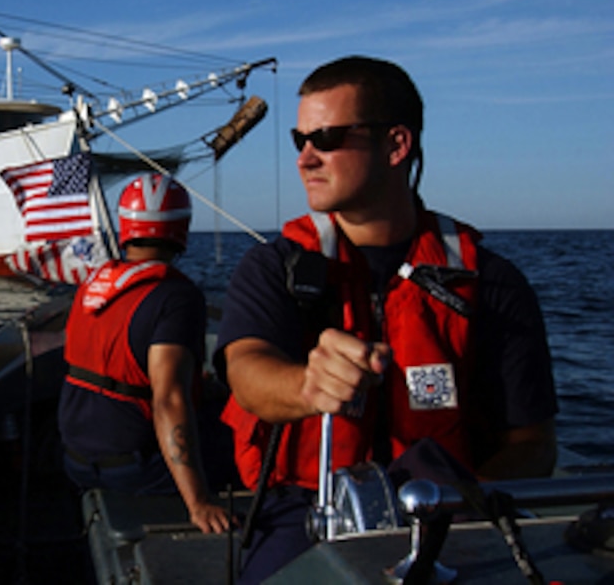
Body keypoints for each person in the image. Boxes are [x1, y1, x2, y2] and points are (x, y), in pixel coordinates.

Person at [216, 55, 558, 582]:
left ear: (397, 145)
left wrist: (463, 501)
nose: (306, 158)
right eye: (299, 140)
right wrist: (308, 385)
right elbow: (246, 369)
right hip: (303, 507)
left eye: (326, 138)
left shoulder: (490, 283)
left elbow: (532, 444)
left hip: (448, 510)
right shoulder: (275, 267)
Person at [58, 173, 232, 534]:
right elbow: (168, 401)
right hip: (134, 469)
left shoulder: (93, 283)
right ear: (181, 227)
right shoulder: (176, 298)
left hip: (74, 460)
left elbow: (125, 369)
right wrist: (198, 502)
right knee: (256, 432)